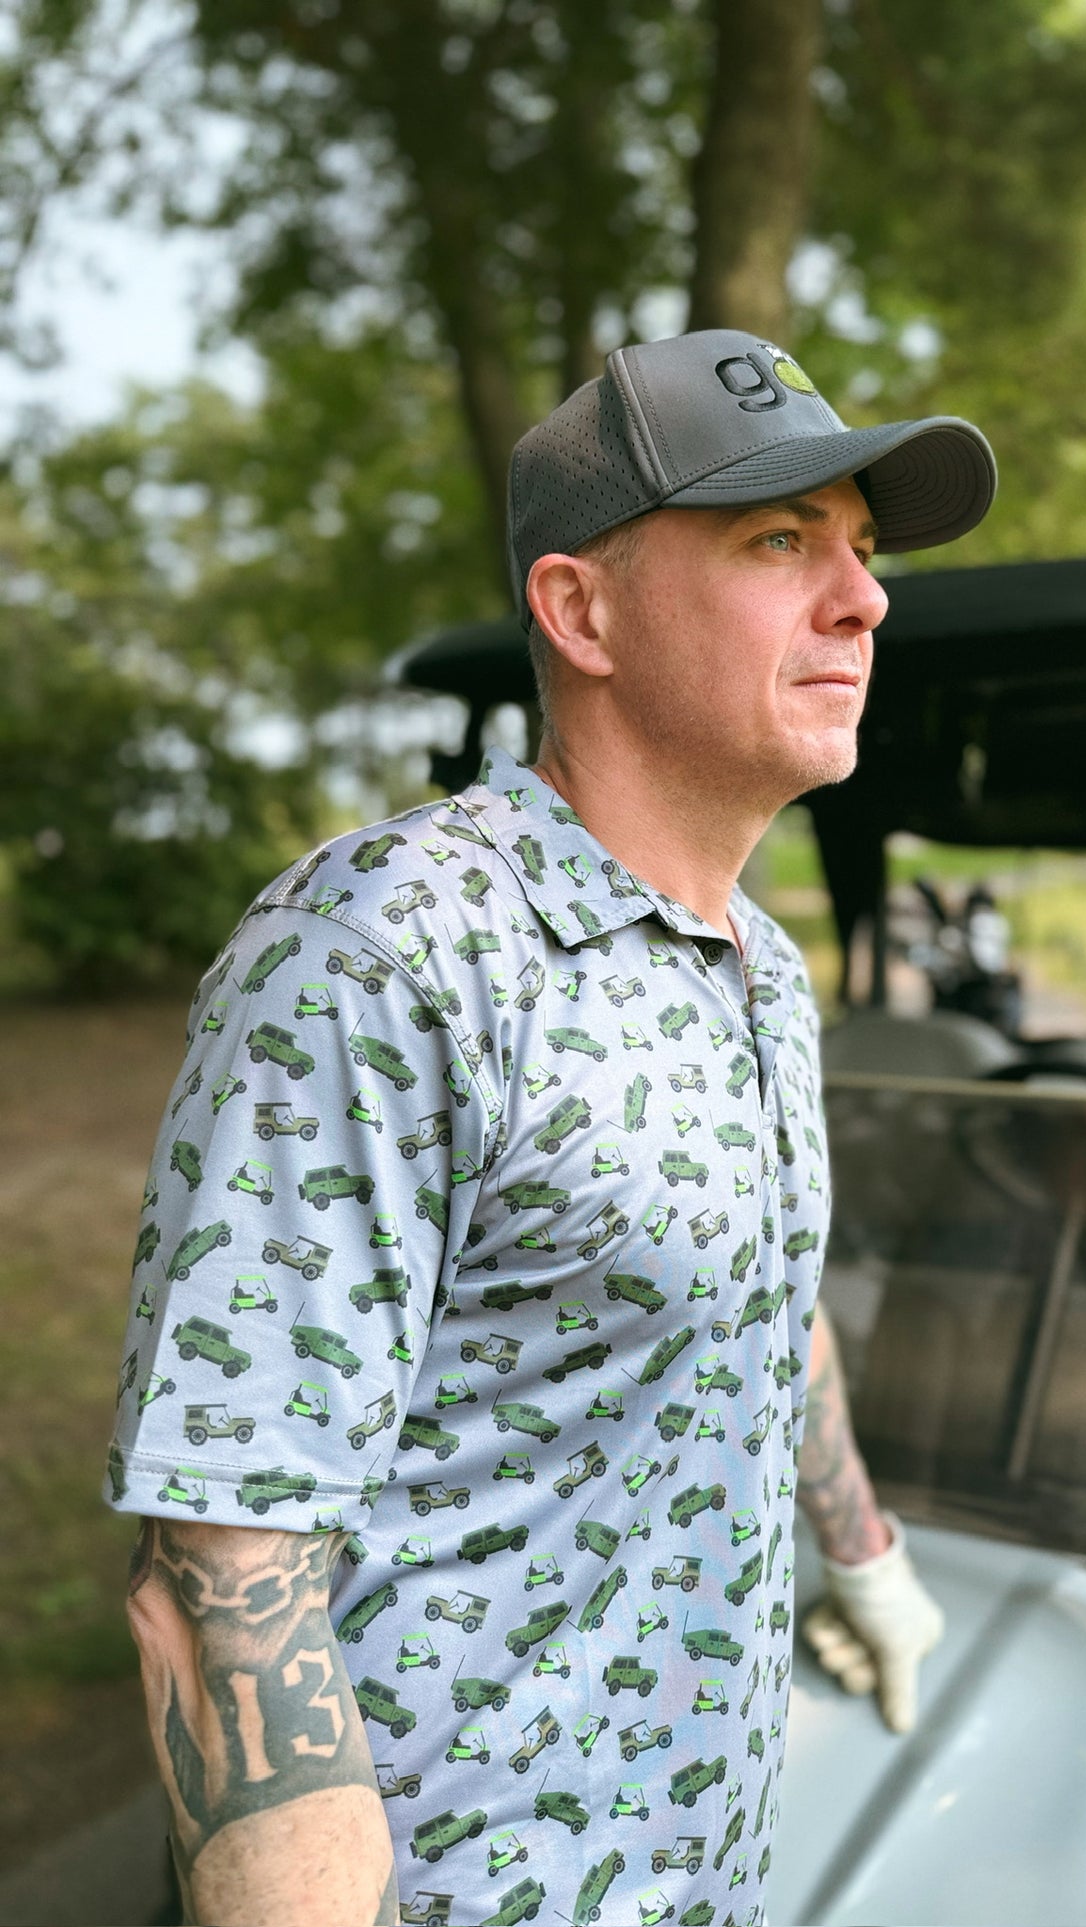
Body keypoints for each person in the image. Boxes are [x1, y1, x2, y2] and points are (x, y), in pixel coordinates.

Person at [106, 328, 996, 1927]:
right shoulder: (384, 949)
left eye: (861, 551)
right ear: (580, 612)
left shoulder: (758, 967)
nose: (861, 601)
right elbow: (220, 1576)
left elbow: (762, 1293)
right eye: (778, 541)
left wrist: (861, 1552)